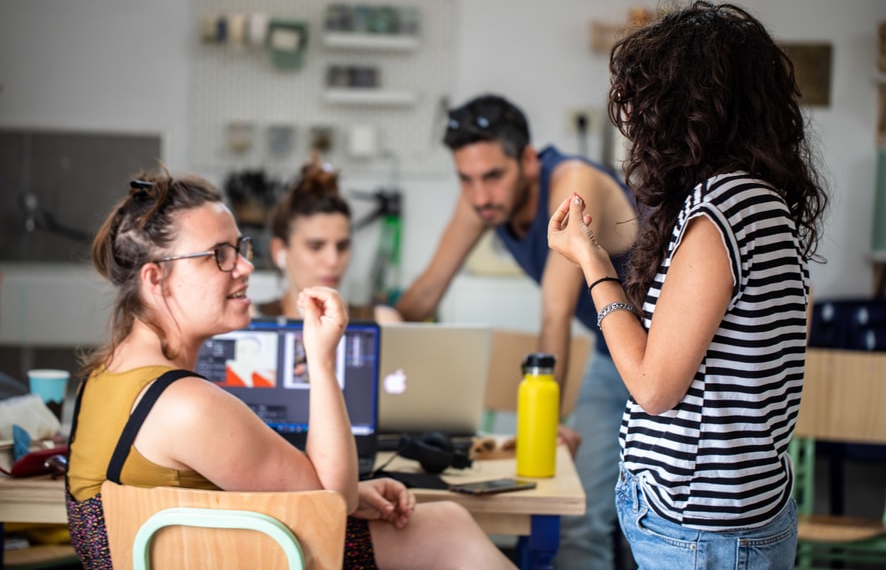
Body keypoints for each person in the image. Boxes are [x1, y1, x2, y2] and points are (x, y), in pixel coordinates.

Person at [64, 170, 515, 570]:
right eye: (218, 254)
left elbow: (189, 497)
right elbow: (328, 506)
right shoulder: (185, 405)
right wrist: (319, 359)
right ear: (155, 279)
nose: (244, 266)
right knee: (447, 527)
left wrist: (353, 494)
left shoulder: (103, 377)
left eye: (240, 247)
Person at [547, 0, 828, 569]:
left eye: (645, 103)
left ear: (685, 109)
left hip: (702, 530)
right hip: (741, 516)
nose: (636, 124)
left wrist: (592, 261)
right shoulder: (767, 203)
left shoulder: (722, 208)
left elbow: (653, 387)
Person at [394, 94, 638, 568]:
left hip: (679, 358)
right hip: (615, 357)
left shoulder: (572, 185)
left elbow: (554, 312)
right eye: (466, 179)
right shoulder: (485, 202)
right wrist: (366, 335)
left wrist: (549, 428)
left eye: (492, 176)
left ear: (527, 159)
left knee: (605, 515)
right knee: (580, 516)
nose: (480, 195)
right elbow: (426, 292)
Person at [256, 152, 402, 323]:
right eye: (315, 246)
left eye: (342, 246)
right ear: (279, 250)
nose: (333, 261)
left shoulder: (381, 323)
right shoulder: (250, 322)